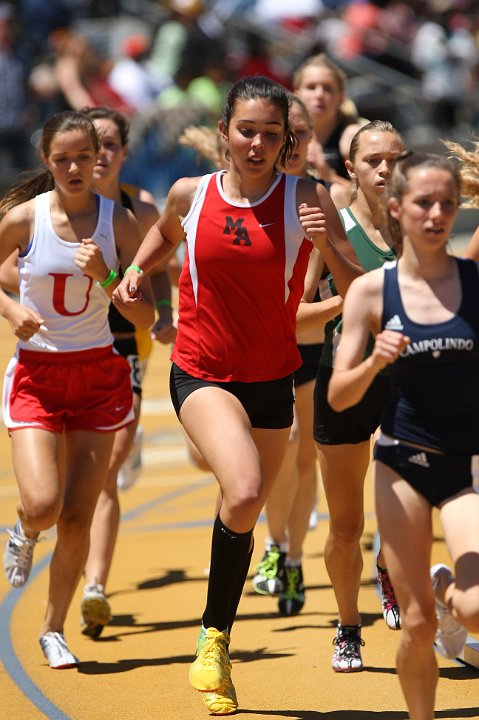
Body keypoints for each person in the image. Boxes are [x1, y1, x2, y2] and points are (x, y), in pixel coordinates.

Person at [114, 75, 362, 715]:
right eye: (246, 130)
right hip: (200, 371)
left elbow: (358, 287)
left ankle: (214, 644)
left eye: (271, 134)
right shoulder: (189, 194)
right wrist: (138, 271)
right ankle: (214, 638)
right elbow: (166, 235)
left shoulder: (306, 198)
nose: (257, 143)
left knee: (243, 511)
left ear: (285, 143)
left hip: (273, 381)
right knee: (247, 489)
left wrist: (325, 243)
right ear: (224, 133)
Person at [0, 110, 155, 668]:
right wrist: (12, 308)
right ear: (47, 161)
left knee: (76, 516)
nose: (73, 167)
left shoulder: (122, 223)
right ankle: (22, 529)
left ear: (99, 161)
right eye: (62, 158)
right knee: (42, 506)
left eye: (83, 158)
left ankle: (52, 628)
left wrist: (109, 278)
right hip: (38, 376)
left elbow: (146, 313)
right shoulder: (24, 219)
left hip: (97, 376)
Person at [328, 152, 479, 720]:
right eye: (424, 202)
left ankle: (443, 584)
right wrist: (373, 364)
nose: (437, 213)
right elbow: (339, 394)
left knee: (476, 609)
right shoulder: (371, 291)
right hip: (401, 466)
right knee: (414, 625)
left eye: (448, 203)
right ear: (398, 208)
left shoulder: (474, 282)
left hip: (464, 466)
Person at [312, 120, 406, 672]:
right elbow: (295, 315)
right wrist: (352, 304)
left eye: (394, 158)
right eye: (372, 160)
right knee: (346, 527)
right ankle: (348, 626)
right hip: (342, 378)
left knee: (407, 509)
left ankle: (394, 568)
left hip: (407, 381)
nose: (384, 169)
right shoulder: (331, 229)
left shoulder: (419, 223)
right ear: (351, 167)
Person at [79, 106, 175, 639]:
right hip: (66, 345)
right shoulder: (54, 208)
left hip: (125, 339)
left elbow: (159, 270)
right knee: (75, 468)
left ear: (122, 151)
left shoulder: (139, 207)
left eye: (111, 143)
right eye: (94, 144)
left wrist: (163, 313)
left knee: (108, 465)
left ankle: (95, 584)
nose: (102, 154)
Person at [251, 93, 343, 615]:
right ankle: (274, 543)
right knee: (278, 449)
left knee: (304, 457)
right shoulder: (246, 194)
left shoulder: (324, 197)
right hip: (263, 343)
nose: (290, 143)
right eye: (284, 132)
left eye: (300, 134)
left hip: (309, 341)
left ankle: (291, 557)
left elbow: (309, 287)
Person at [292, 53, 364, 200]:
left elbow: (374, 200)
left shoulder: (356, 135)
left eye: (328, 88)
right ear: (297, 95)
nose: (319, 95)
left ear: (341, 96)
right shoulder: (283, 134)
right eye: (311, 87)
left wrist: (327, 174)